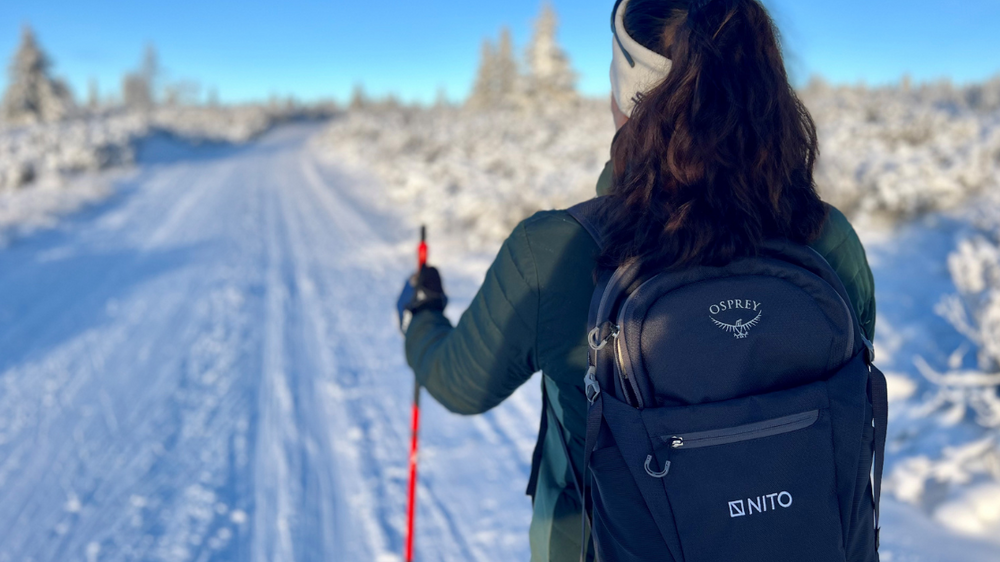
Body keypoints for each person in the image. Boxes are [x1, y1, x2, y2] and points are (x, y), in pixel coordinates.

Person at [397, 0, 876, 560]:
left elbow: (461, 384)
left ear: (626, 95)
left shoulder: (556, 250)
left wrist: (420, 316)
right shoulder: (828, 238)